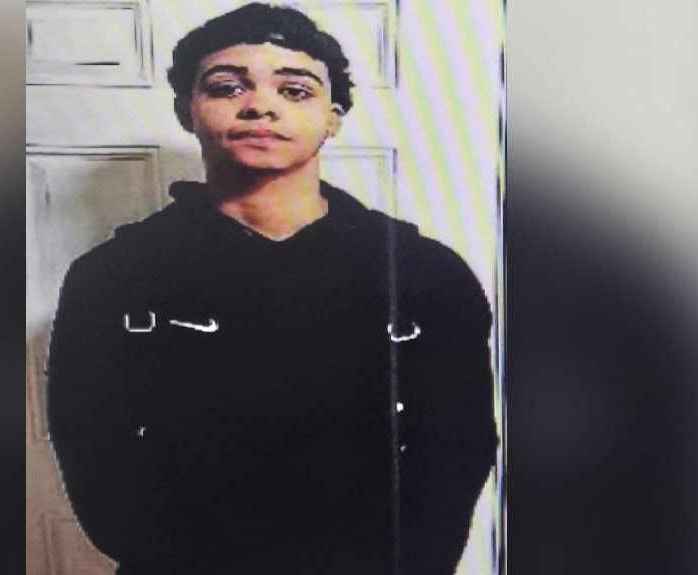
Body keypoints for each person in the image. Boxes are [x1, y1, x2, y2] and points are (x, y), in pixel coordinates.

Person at [46, 4, 498, 574]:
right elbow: (91, 450)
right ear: (187, 110)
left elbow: (458, 449)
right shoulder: (113, 277)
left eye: (295, 90)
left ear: (333, 117)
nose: (261, 105)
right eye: (227, 86)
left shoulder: (423, 274)